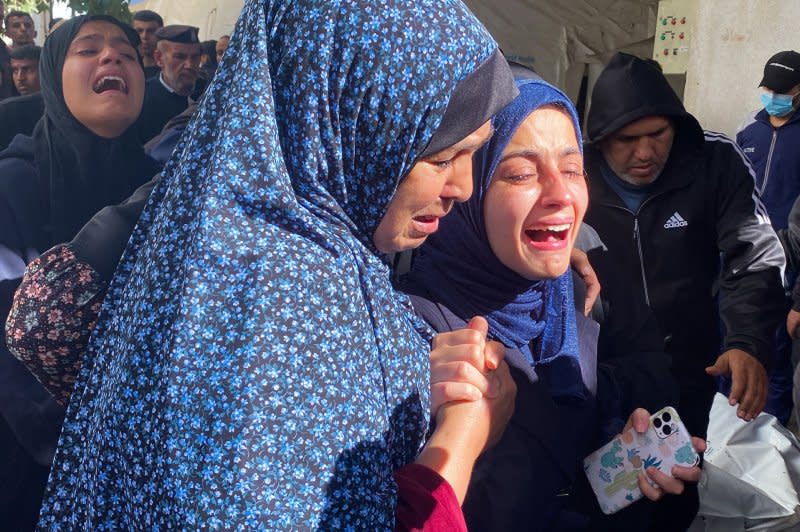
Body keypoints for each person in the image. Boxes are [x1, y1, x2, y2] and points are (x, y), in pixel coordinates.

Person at [8, 0, 520, 528]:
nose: (462, 186)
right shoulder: (272, 308)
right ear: (343, 121)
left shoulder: (284, 243)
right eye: (439, 159)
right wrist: (462, 438)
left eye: (475, 154)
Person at [402, 78, 704, 531]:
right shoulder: (410, 333)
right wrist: (464, 438)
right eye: (521, 173)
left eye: (572, 168)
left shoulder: (574, 293)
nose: (561, 195)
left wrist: (615, 447)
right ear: (467, 187)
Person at [581, 52, 785, 530]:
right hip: (602, 372)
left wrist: (746, 341)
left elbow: (753, 255)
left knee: (677, 488)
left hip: (690, 368)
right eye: (627, 140)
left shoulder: (713, 161)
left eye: (659, 134)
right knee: (606, 494)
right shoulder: (573, 174)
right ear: (600, 139)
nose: (645, 153)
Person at [0, 14, 160, 530]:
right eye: (87, 49)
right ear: (52, 73)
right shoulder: (12, 187)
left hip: (144, 461)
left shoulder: (165, 192)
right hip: (29, 463)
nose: (112, 57)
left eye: (127, 52)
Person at [736, 50, 800, 425]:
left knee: (774, 365)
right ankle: (723, 442)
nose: (772, 95)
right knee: (733, 351)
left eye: (783, 90)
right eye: (768, 88)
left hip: (786, 269)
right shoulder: (749, 133)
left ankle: (769, 444)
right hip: (741, 263)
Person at [137, 24, 202, 143]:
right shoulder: (140, 99)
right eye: (180, 57)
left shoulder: (208, 93)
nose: (189, 65)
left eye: (195, 57)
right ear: (159, 58)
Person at [131, 9, 163, 79]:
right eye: (139, 31)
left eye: (151, 31)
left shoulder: (168, 71)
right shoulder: (126, 69)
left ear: (161, 34)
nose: (144, 36)